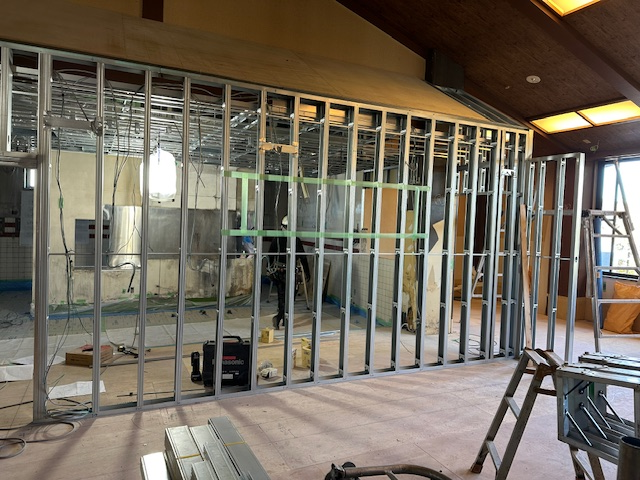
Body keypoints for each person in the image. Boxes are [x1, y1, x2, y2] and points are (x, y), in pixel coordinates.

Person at [268, 215, 310, 330]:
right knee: (287, 298)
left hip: (285, 272)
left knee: (285, 298)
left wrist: (270, 269)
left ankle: (281, 318)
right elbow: (270, 256)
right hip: (283, 272)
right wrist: (307, 272)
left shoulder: (287, 240)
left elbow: (302, 257)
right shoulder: (288, 240)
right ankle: (281, 318)